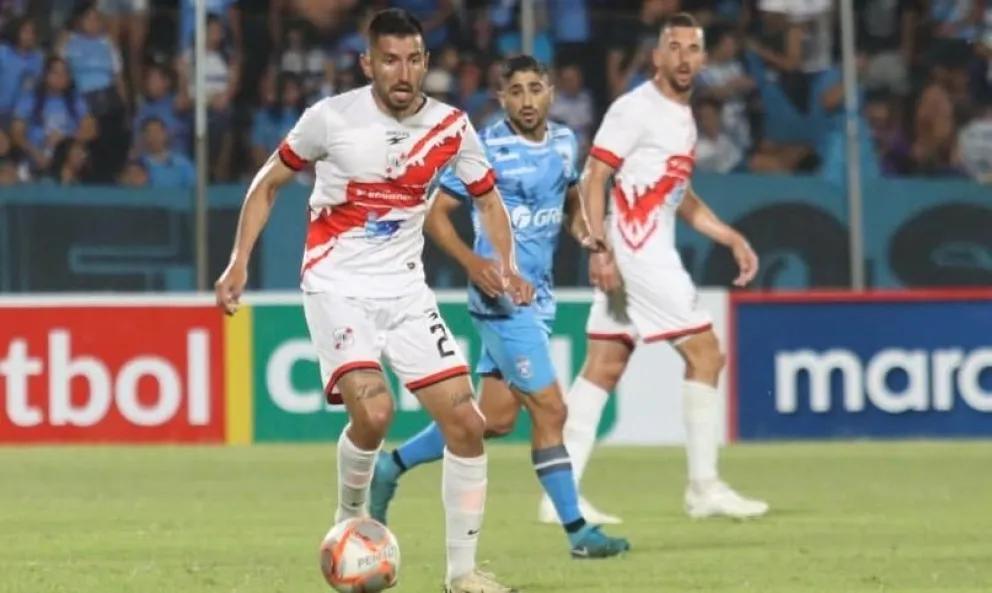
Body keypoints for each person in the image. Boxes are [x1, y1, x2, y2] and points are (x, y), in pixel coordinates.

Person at [213, 9, 525, 593]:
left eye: (413, 60)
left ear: (426, 64)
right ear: (368, 64)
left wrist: (504, 263)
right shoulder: (330, 119)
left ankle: (462, 575)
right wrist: (238, 260)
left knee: (467, 424)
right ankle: (349, 517)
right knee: (376, 413)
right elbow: (268, 182)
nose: (402, 72)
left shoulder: (453, 127)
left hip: (406, 291)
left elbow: (487, 201)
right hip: (337, 285)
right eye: (389, 60)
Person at [369, 55, 631, 559]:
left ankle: (391, 466)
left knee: (493, 420)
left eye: (536, 89)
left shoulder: (563, 142)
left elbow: (571, 200)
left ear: (550, 92)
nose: (527, 100)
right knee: (552, 410)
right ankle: (577, 532)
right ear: (502, 97)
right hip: (501, 300)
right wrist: (474, 264)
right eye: (516, 91)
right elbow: (436, 216)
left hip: (541, 297)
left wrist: (588, 236)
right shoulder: (483, 147)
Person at [539, 12, 770, 525]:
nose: (685, 57)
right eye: (676, 47)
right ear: (658, 55)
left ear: (703, 59)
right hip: (638, 251)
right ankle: (704, 489)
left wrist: (729, 235)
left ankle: (560, 496)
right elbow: (595, 176)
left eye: (694, 48)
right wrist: (598, 249)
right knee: (707, 354)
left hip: (637, 246)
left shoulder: (681, 117)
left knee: (603, 366)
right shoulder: (636, 108)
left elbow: (677, 195)